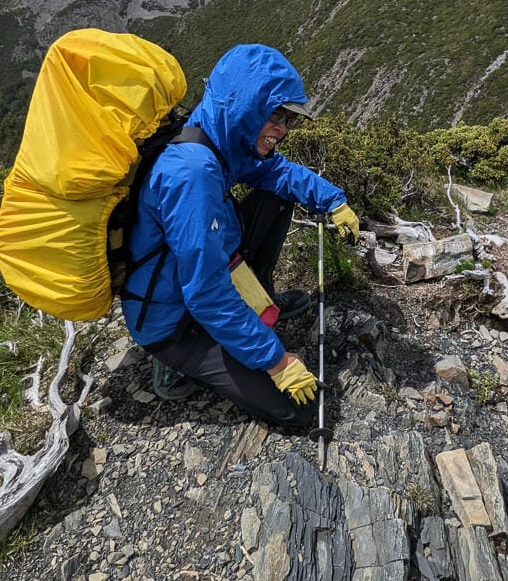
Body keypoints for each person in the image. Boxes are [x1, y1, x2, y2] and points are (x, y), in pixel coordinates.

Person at [120, 44, 360, 428]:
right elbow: (206, 294)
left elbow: (278, 174)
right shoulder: (192, 174)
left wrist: (332, 201)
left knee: (276, 194)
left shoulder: (225, 138)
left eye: (290, 120)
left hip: (199, 278)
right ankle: (173, 364)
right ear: (246, 106)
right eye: (275, 115)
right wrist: (277, 362)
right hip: (173, 321)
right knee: (302, 410)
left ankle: (259, 300)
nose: (282, 130)